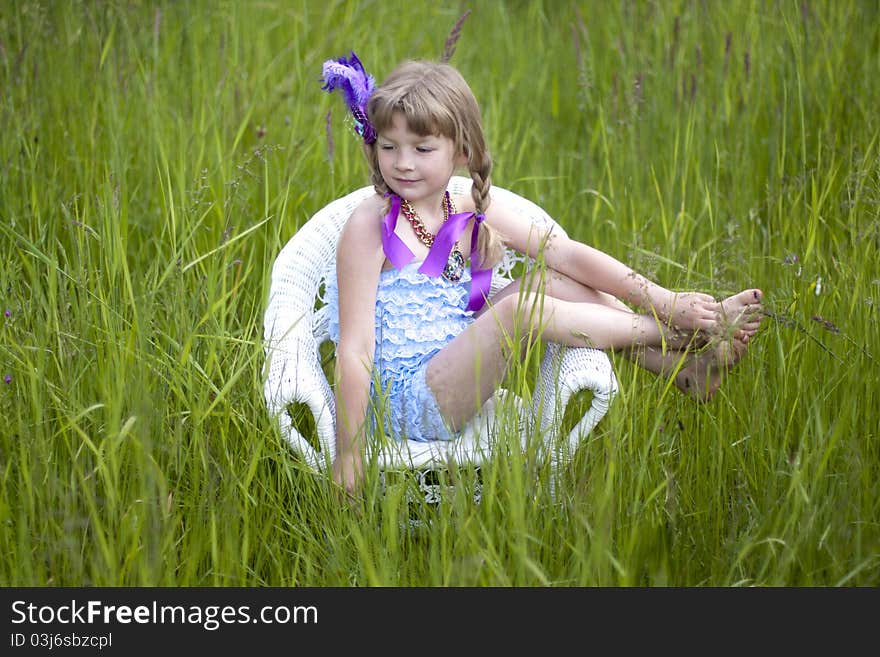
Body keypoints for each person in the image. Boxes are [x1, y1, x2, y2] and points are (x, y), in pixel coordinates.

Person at [320, 53, 763, 494]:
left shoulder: (466, 207)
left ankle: (681, 368)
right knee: (518, 311)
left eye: (422, 148)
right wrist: (349, 454)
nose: (403, 163)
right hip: (405, 402)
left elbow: (566, 255)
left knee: (550, 281)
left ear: (462, 150)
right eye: (389, 147)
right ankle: (676, 337)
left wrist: (667, 299)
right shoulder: (371, 225)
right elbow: (355, 349)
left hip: (450, 367)